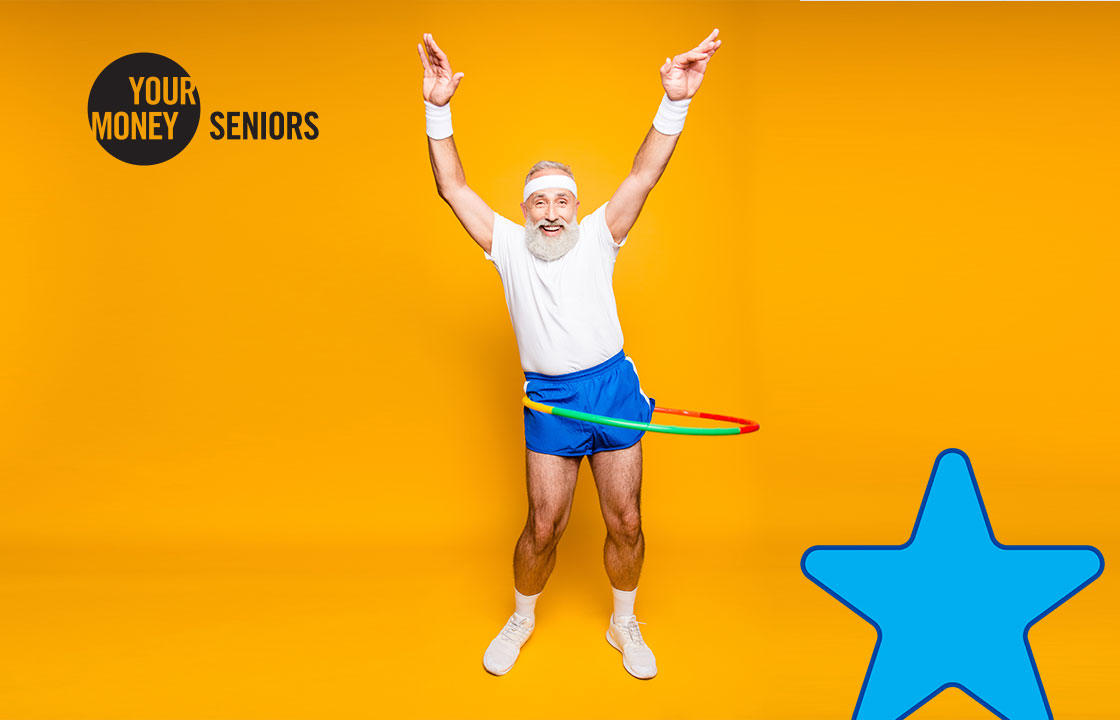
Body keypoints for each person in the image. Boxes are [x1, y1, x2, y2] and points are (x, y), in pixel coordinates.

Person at [418, 28, 721, 679]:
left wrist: (675, 101)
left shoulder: (597, 237)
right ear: (523, 211)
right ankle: (523, 618)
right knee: (543, 527)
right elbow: (452, 186)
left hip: (612, 391)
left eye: (561, 200)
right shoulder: (502, 244)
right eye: (538, 202)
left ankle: (623, 620)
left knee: (627, 522)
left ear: (578, 208)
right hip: (551, 401)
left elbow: (645, 173)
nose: (550, 211)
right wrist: (437, 107)